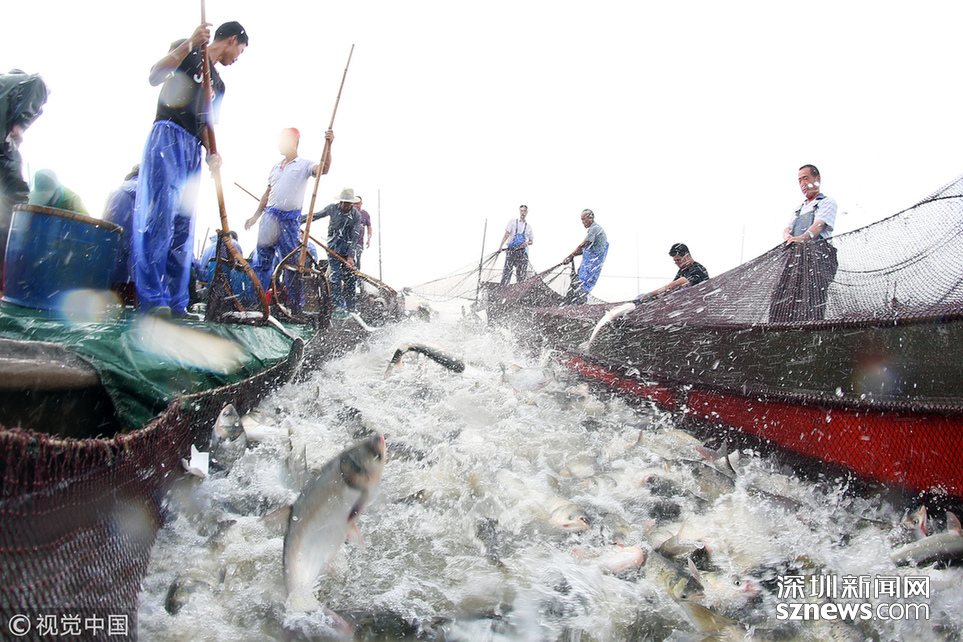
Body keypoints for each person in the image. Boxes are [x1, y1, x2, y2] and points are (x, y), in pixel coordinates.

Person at [132, 21, 249, 319]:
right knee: (162, 216)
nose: (237, 58)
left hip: (192, 148)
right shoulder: (189, 51)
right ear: (232, 39)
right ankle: (153, 299)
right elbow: (154, 76)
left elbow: (208, 124)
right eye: (240, 51)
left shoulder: (219, 85)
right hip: (168, 134)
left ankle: (176, 301)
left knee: (183, 225)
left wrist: (212, 153)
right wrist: (190, 43)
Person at [245, 127, 333, 290]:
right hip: (269, 218)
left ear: (293, 143)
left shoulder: (304, 165)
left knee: (291, 264)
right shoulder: (275, 168)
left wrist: (329, 145)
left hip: (289, 220)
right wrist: (255, 217)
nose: (279, 145)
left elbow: (324, 169)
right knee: (262, 261)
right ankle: (258, 298)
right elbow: (267, 194)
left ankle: (294, 302)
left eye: (282, 142)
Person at [769, 164, 839, 322]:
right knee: (783, 299)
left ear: (817, 179)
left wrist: (803, 237)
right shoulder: (798, 209)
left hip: (818, 258)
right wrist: (788, 237)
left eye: (806, 179)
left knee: (812, 299)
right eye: (799, 181)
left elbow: (819, 225)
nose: (802, 184)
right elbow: (787, 228)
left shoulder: (826, 202)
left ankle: (810, 330)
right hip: (796, 259)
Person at [0, 70, 48, 281]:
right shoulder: (22, 80)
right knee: (16, 206)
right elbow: (37, 82)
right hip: (3, 148)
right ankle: (11, 273)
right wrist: (20, 124)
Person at [307, 188, 362, 318]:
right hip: (333, 248)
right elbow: (316, 215)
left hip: (347, 250)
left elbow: (355, 237)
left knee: (350, 278)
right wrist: (300, 220)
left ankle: (351, 307)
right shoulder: (332, 208)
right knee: (335, 276)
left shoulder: (356, 215)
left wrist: (350, 257)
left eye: (347, 203)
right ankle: (337, 306)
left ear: (351, 204)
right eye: (342, 202)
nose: (344, 205)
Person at [103, 165, 140, 302]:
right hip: (140, 268)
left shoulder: (116, 192)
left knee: (114, 303)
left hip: (115, 262)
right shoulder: (151, 195)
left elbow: (105, 223)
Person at [563, 209, 608, 304]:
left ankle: (574, 306)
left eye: (584, 219)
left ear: (591, 218)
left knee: (581, 288)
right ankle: (572, 304)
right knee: (578, 286)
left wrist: (570, 256)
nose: (583, 222)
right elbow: (585, 250)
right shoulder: (595, 229)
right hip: (588, 266)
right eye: (582, 220)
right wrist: (573, 256)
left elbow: (583, 245)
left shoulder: (595, 229)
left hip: (591, 267)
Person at [636, 243, 708, 301]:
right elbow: (670, 289)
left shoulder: (698, 270)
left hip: (697, 302)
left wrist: (652, 294)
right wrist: (657, 297)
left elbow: (676, 285)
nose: (677, 263)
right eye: (675, 261)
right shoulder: (683, 270)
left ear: (687, 256)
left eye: (678, 260)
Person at [498, 204, 534, 285]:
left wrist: (526, 243)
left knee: (521, 273)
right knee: (507, 270)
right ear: (519, 211)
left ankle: (519, 287)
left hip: (522, 252)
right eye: (521, 211)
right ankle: (504, 287)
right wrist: (501, 246)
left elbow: (531, 241)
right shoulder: (513, 222)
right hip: (511, 250)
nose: (523, 212)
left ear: (527, 212)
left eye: (524, 211)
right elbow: (507, 234)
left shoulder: (528, 227)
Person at [353, 195, 372, 270]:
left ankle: (357, 273)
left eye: (357, 204)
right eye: (354, 203)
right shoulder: (349, 212)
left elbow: (369, 226)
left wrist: (369, 239)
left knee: (357, 257)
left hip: (359, 241)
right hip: (349, 240)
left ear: (361, 203)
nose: (355, 205)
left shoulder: (365, 214)